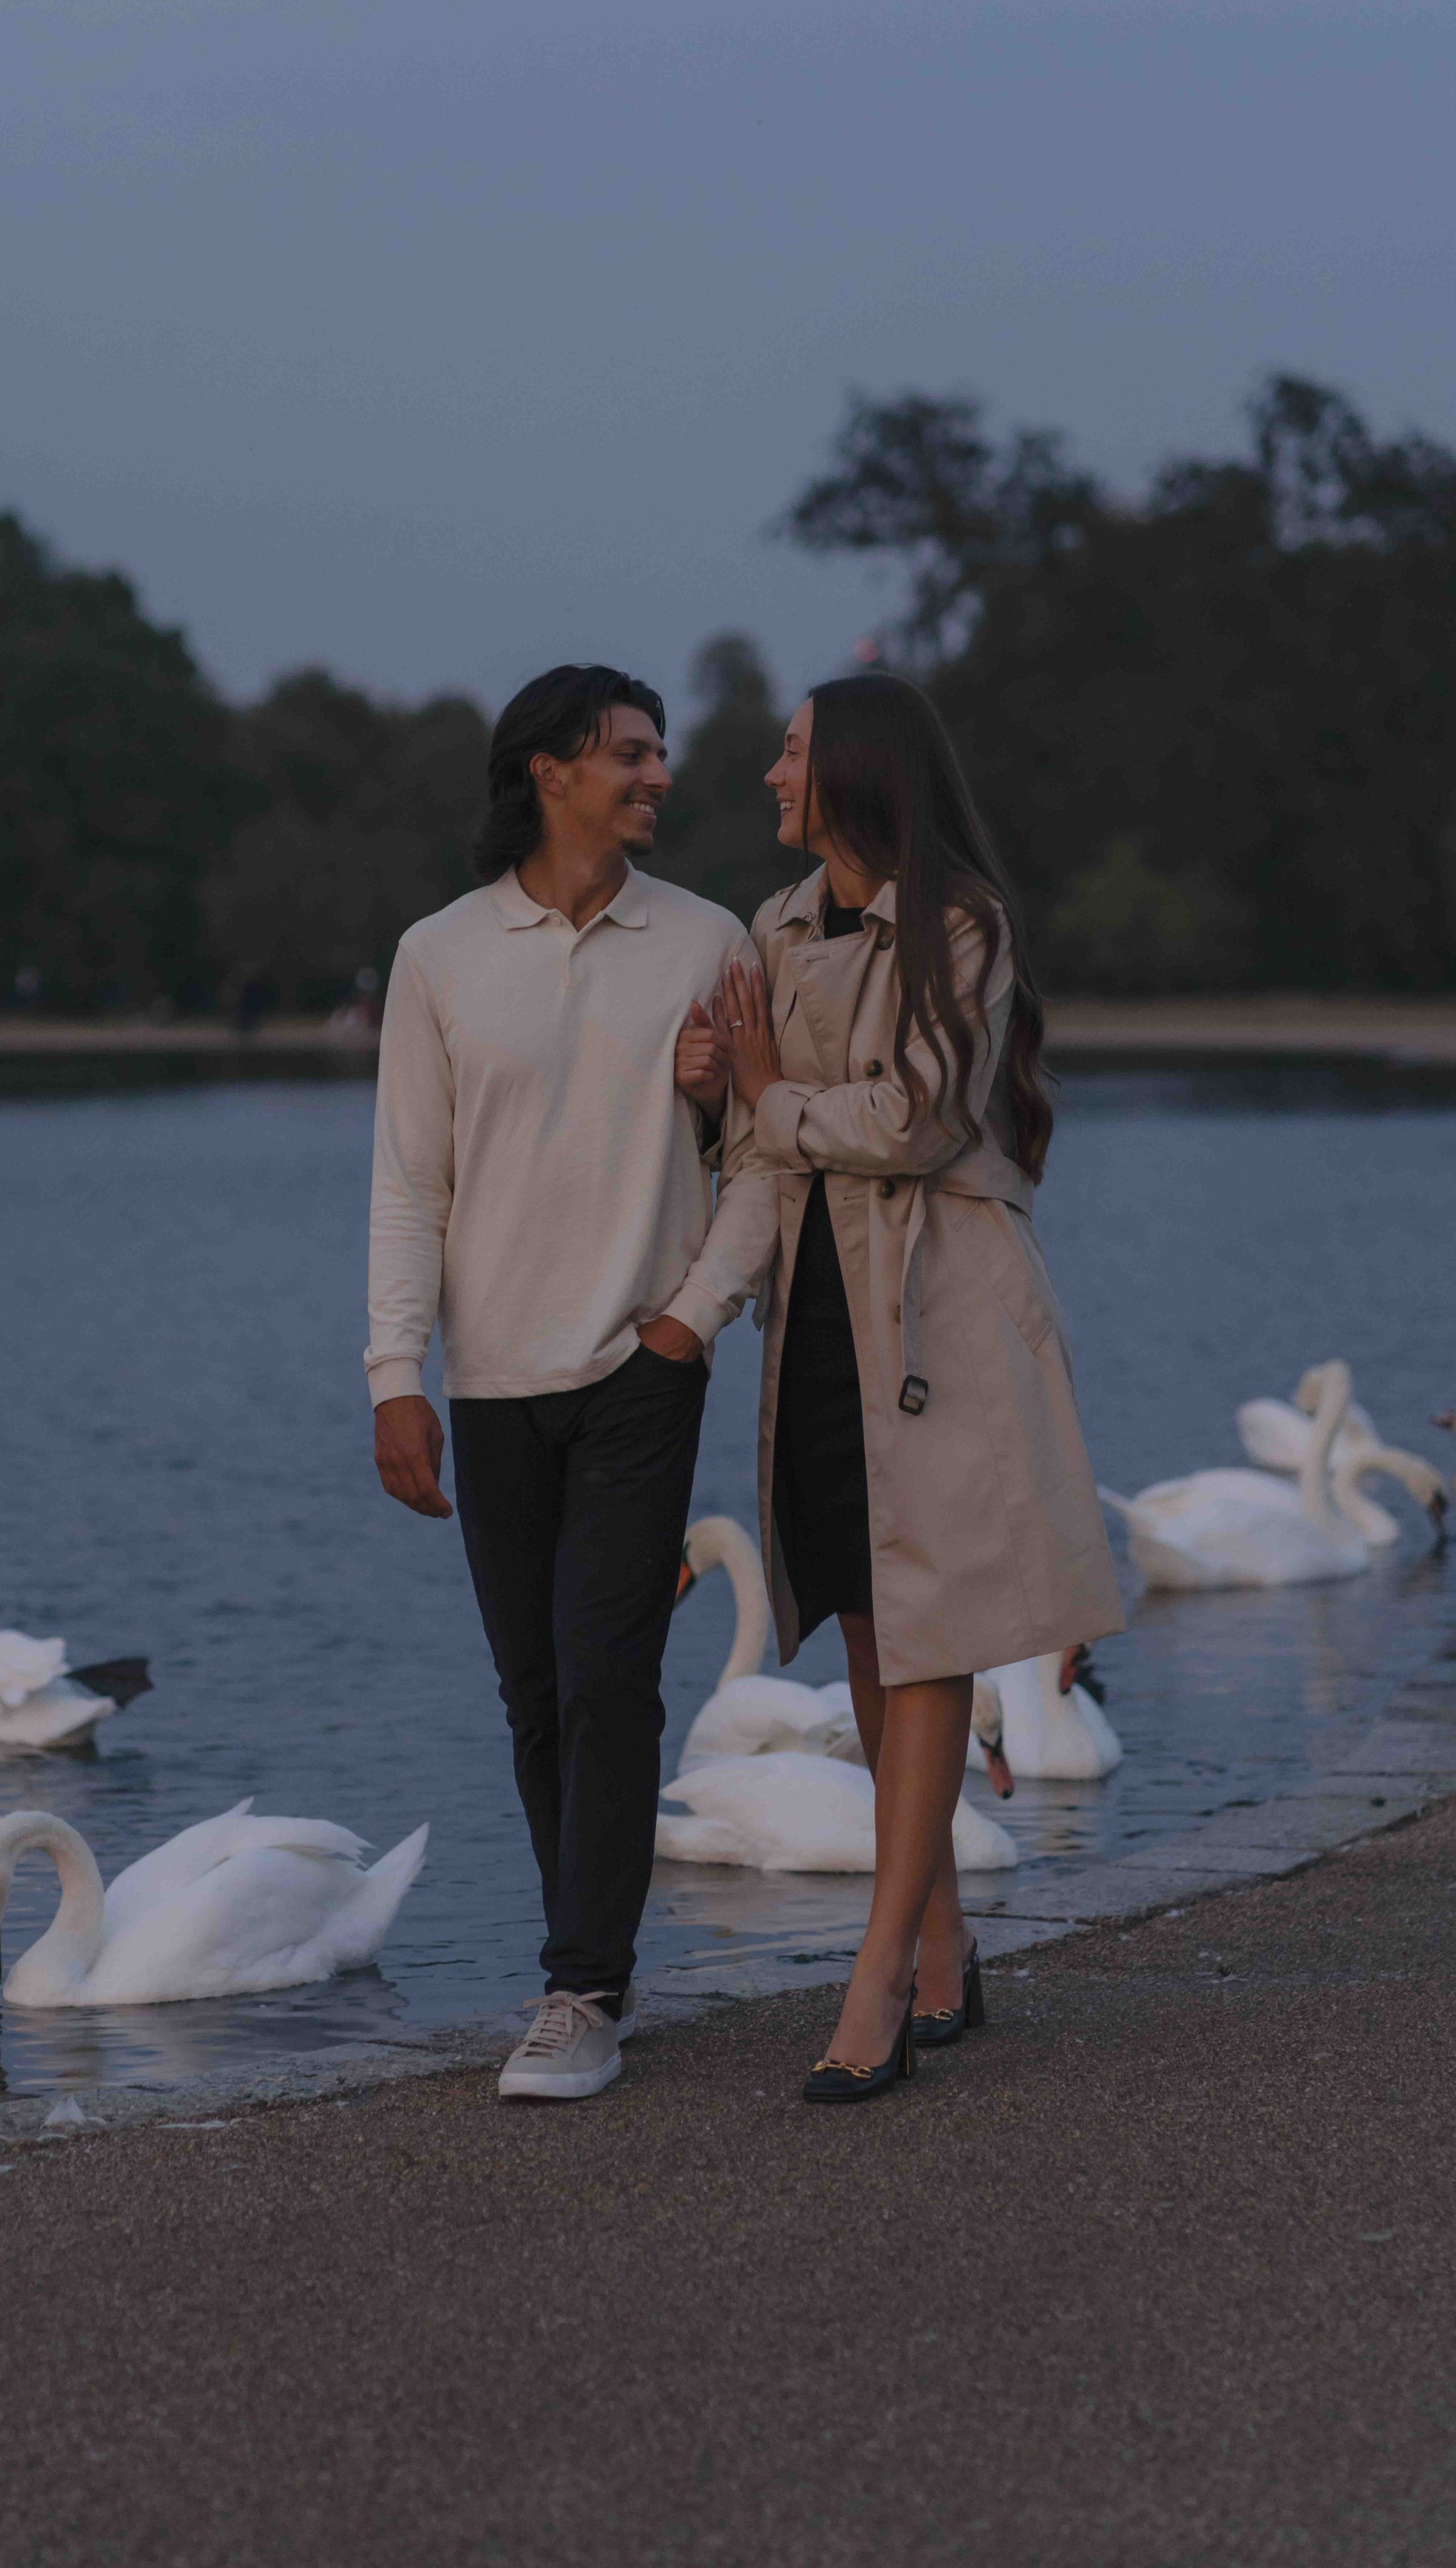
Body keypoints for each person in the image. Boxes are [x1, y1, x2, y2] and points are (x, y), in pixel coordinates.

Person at [676, 671, 1122, 2104]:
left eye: (791, 751)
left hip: (939, 1312)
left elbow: (920, 1122)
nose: (770, 774)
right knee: (872, 1630)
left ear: (859, 770)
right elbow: (761, 1146)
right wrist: (712, 1088)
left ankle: (875, 1982)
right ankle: (942, 1940)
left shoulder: (963, 927)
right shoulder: (774, 925)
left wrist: (766, 1096)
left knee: (929, 1633)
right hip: (819, 1312)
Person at [367, 665, 772, 2102]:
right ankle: (590, 1967)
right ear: (550, 771)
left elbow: (762, 1158)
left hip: (642, 1367)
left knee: (611, 1675)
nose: (658, 775)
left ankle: (582, 1988)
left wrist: (692, 1322)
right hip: (489, 1382)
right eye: (630, 754)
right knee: (536, 1692)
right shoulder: (438, 954)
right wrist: (395, 1374)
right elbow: (410, 1183)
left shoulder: (711, 939)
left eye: (659, 753)